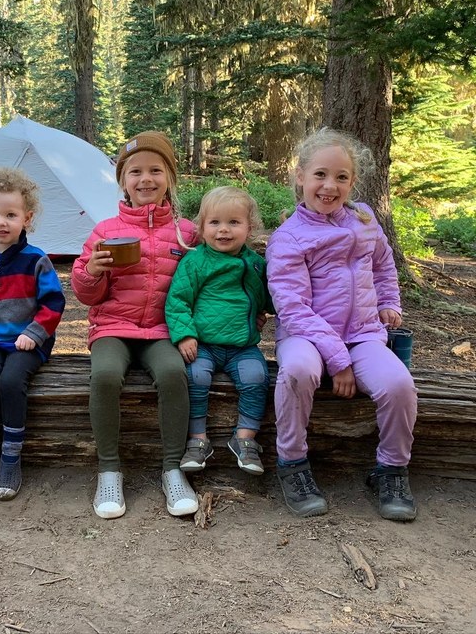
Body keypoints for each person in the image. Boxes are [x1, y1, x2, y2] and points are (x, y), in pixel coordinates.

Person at [266, 128, 418, 521]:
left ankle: (391, 469)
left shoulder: (365, 220)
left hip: (364, 333)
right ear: (300, 176)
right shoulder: (288, 238)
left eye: (341, 177)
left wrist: (388, 303)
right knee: (297, 372)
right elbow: (293, 307)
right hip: (307, 337)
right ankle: (293, 463)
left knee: (399, 383)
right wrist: (339, 361)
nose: (329, 186)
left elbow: (384, 266)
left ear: (352, 181)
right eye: (320, 175)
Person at [71, 131, 199, 519]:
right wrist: (92, 270)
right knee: (106, 375)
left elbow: (202, 281)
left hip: (162, 330)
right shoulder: (106, 230)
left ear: (170, 178)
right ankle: (109, 470)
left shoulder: (187, 232)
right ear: (123, 181)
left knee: (174, 374)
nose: (146, 179)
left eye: (155, 170)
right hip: (113, 326)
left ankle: (173, 469)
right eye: (136, 172)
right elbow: (86, 294)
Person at [0, 167, 65, 501]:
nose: (1, 223)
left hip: (26, 340)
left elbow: (53, 302)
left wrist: (35, 333)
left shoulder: (36, 259)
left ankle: (10, 455)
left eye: (10, 214)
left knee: (10, 381)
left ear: (28, 217)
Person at [166, 186, 273, 475]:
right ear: (201, 228)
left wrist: (263, 309)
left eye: (233, 223)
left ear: (249, 228)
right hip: (204, 344)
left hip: (243, 346)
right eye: (215, 223)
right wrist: (185, 334)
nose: (223, 230)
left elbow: (269, 297)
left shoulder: (255, 264)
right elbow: (177, 300)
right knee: (196, 378)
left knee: (257, 378)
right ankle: (198, 439)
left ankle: (245, 438)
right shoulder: (196, 261)